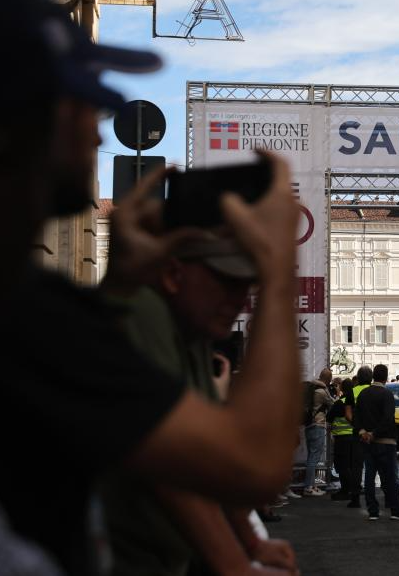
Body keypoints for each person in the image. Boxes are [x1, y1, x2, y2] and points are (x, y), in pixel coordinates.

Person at [0, 0, 302, 574]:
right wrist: (277, 272)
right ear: (19, 124)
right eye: (82, 98)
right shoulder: (19, 307)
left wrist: (119, 283)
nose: (100, 127)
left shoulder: (33, 303)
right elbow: (254, 463)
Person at [102, 234, 299, 576]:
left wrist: (250, 544)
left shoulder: (192, 332)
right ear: (174, 275)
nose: (238, 300)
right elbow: (177, 468)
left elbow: (216, 468)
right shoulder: (145, 314)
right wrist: (236, 563)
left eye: (245, 286)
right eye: (225, 283)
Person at [356, 365, 399, 520]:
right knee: (390, 477)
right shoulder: (387, 394)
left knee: (369, 477)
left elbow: (357, 416)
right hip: (386, 441)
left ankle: (373, 511)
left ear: (374, 376)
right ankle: (395, 509)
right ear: (386, 377)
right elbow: (387, 419)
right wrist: (375, 433)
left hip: (367, 441)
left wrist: (364, 433)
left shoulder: (363, 394)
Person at [343, 366, 373, 507]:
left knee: (357, 467)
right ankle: (375, 497)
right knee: (376, 466)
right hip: (374, 435)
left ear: (359, 378)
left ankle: (355, 499)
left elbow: (348, 414)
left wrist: (356, 426)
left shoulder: (352, 392)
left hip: (358, 434)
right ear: (371, 378)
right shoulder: (377, 391)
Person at [303, 369, 335, 497]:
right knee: (314, 458)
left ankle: (312, 485)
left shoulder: (312, 389)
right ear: (328, 379)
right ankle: (309, 487)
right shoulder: (322, 391)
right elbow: (332, 403)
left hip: (309, 425)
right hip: (318, 425)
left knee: (312, 457)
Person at [328, 378, 354, 500]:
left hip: (342, 437)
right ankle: (353, 489)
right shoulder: (356, 401)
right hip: (354, 437)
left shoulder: (340, 403)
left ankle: (345, 491)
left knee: (343, 465)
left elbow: (329, 416)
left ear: (342, 388)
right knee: (352, 464)